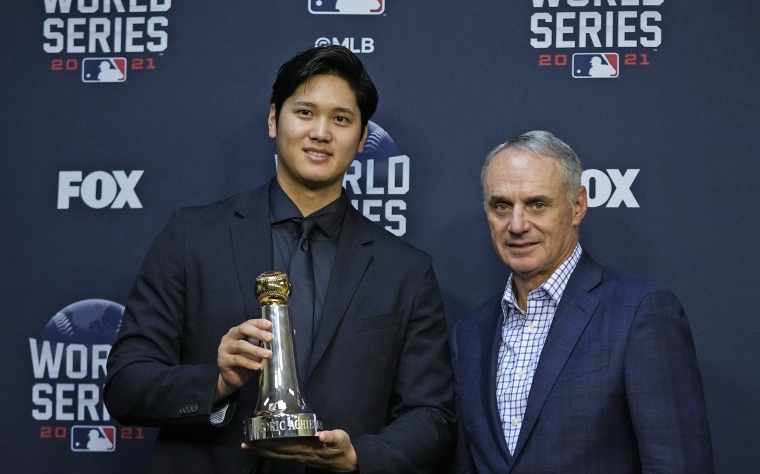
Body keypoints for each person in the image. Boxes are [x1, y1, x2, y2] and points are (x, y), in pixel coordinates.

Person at [104, 44, 454, 473]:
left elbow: (432, 416)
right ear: (274, 119)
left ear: (363, 139)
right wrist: (216, 381)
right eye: (305, 112)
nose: (321, 132)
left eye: (341, 119)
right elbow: (125, 385)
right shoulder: (192, 237)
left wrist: (358, 458)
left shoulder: (406, 271)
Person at [450, 130, 713, 473]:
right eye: (501, 205)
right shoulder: (469, 335)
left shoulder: (639, 313)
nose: (516, 225)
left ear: (577, 206)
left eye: (537, 204)